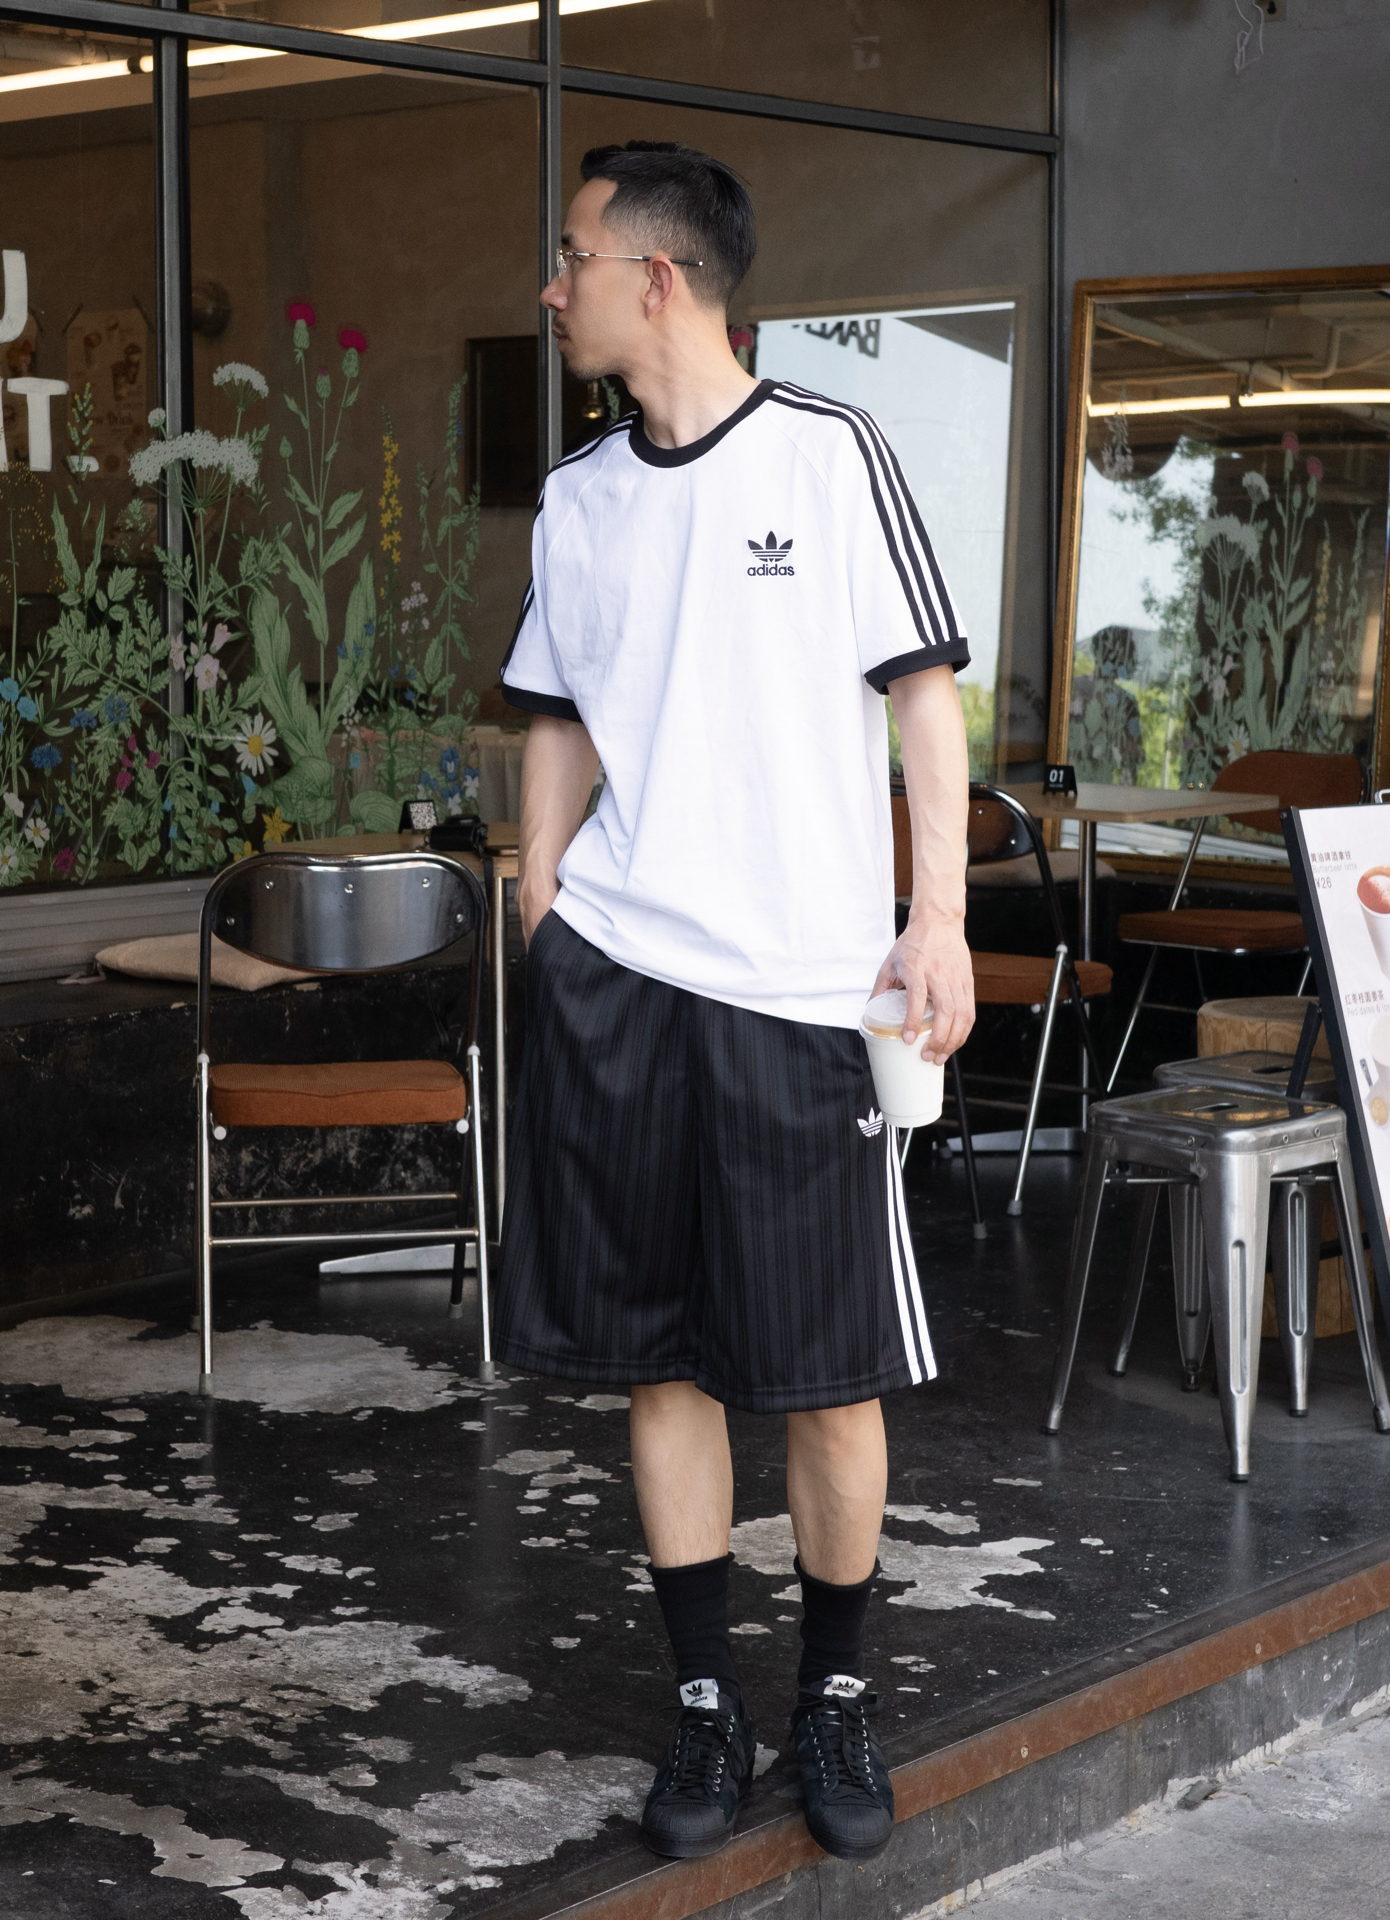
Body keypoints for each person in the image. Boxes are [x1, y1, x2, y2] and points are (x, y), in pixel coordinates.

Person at [496, 139, 974, 1865]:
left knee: (829, 1379)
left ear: (657, 276)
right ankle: (706, 1698)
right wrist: (543, 894)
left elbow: (925, 698)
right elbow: (557, 708)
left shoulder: (833, 454)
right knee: (663, 1366)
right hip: (622, 974)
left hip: (798, 994)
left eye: (570, 257)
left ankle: (833, 1693)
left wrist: (937, 920)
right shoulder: (579, 496)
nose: (549, 286)